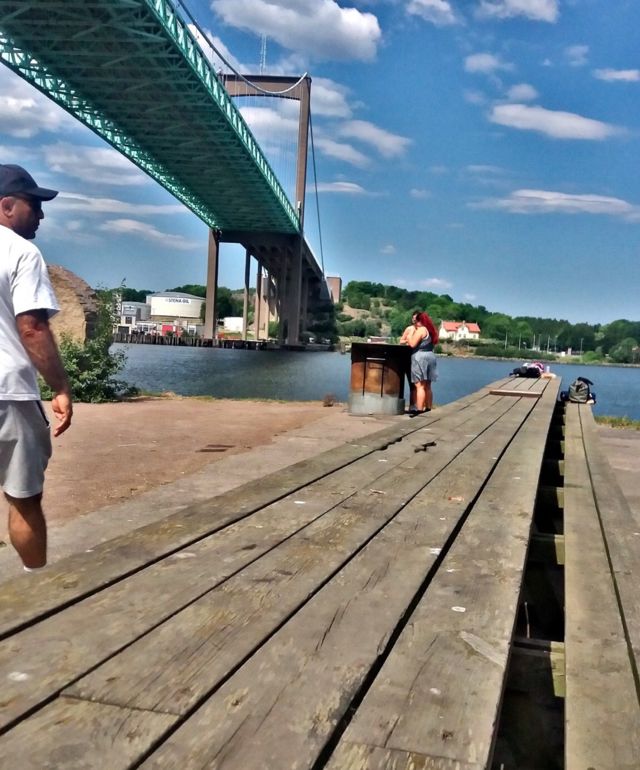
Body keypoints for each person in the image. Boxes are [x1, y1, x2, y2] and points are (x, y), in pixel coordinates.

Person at [0, 164, 72, 570]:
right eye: (34, 204)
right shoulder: (20, 251)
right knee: (23, 499)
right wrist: (60, 387)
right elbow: (32, 327)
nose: (41, 214)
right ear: (7, 205)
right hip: (8, 393)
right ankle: (37, 590)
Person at [401, 310, 438, 415]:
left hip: (420, 357)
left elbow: (412, 344)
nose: (415, 323)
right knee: (428, 385)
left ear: (419, 321)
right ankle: (428, 408)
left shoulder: (421, 330)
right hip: (430, 356)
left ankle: (419, 409)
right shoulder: (431, 330)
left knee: (419, 385)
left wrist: (409, 337)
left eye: (416, 321)